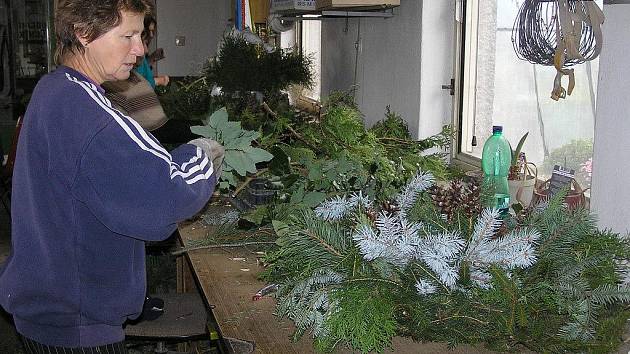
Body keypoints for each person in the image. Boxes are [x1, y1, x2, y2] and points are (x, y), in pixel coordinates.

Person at [0, 1, 224, 353]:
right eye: (128, 36)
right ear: (84, 33)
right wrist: (203, 155)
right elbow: (164, 200)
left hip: (49, 305)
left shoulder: (53, 88)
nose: (139, 49)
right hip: (77, 324)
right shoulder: (90, 115)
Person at [135, 14, 169, 88]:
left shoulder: (143, 46)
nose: (151, 35)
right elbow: (137, 83)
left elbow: (142, 67)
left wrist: (152, 58)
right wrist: (158, 81)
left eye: (152, 31)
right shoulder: (136, 49)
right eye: (149, 31)